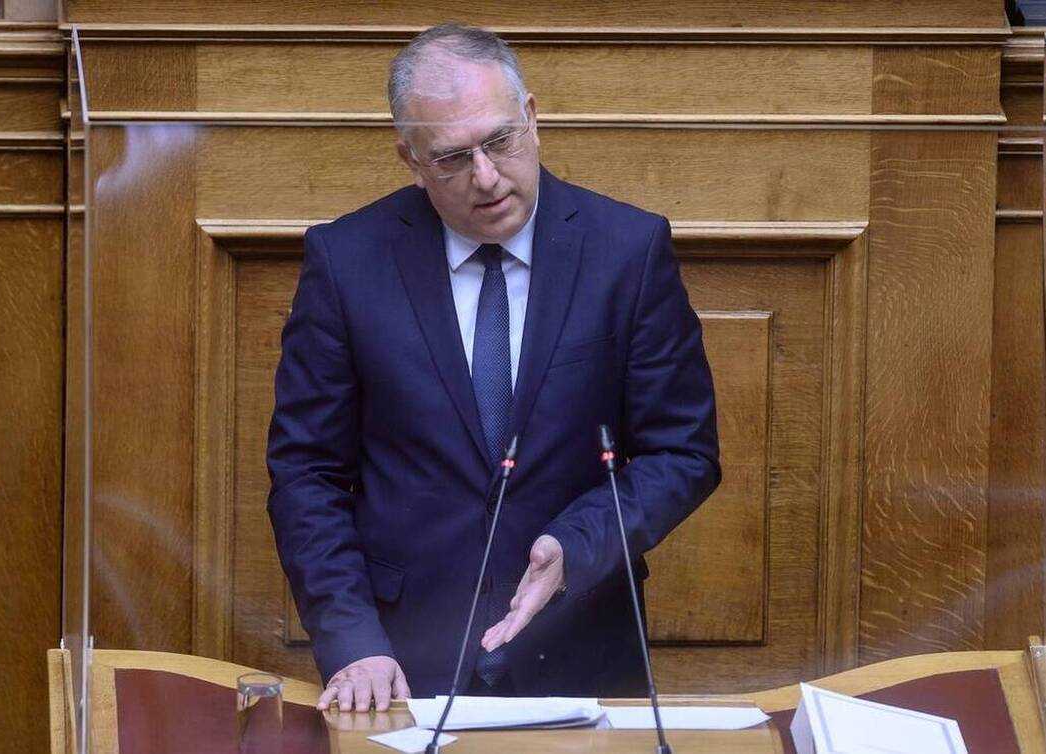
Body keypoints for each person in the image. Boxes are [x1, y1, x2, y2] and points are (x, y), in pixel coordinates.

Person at [266, 23, 719, 713]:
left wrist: (577, 544)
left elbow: (683, 452)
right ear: (410, 158)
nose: (485, 177)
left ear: (532, 118)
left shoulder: (628, 251)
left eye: (500, 141)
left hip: (580, 649)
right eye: (452, 158)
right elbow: (307, 473)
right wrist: (353, 641)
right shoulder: (346, 261)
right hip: (399, 665)